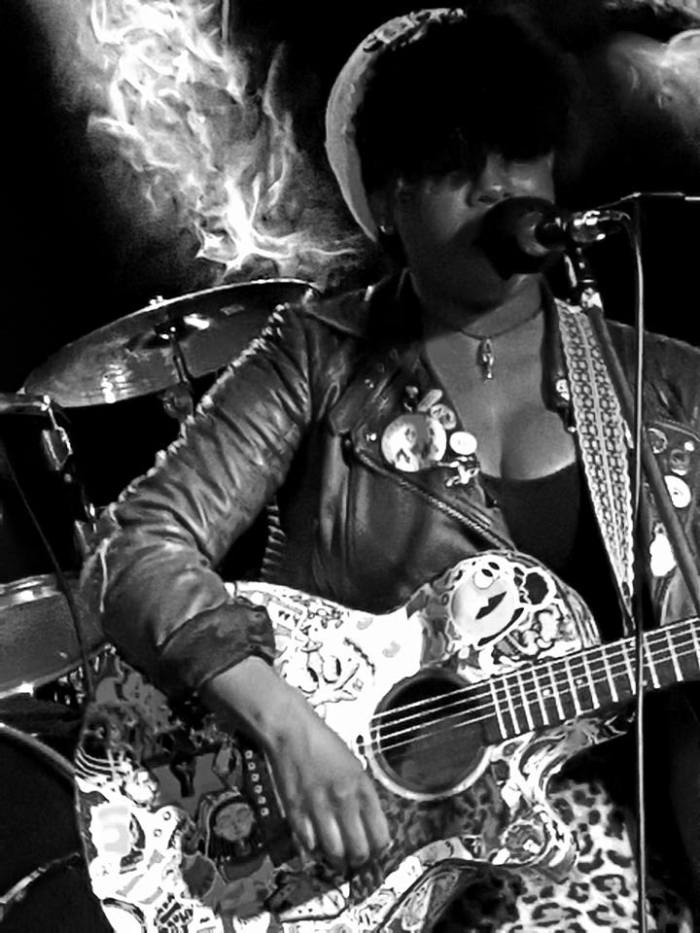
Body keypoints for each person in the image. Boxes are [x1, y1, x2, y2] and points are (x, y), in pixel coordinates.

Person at [81, 6, 700, 931]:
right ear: (387, 201)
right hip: (350, 849)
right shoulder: (317, 353)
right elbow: (135, 547)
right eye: (454, 166)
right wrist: (286, 725)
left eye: (519, 155)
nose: (498, 189)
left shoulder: (664, 379)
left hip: (580, 837)